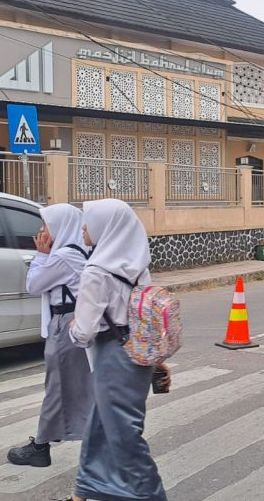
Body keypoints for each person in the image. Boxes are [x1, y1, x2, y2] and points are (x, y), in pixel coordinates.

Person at [66, 199, 168, 501]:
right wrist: (157, 361)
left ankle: (151, 494)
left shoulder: (96, 271)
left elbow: (83, 332)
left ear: (105, 227)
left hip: (113, 358)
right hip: (138, 353)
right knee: (100, 425)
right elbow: (144, 315)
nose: (84, 228)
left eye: (89, 221)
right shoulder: (137, 266)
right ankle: (84, 490)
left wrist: (73, 326)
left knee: (123, 433)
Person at [8, 204, 93, 468]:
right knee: (73, 387)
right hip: (71, 322)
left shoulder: (63, 256)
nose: (41, 231)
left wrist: (40, 255)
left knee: (57, 386)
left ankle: (41, 446)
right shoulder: (79, 250)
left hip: (66, 324)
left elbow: (33, 285)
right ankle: (89, 439)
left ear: (60, 227)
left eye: (46, 225)